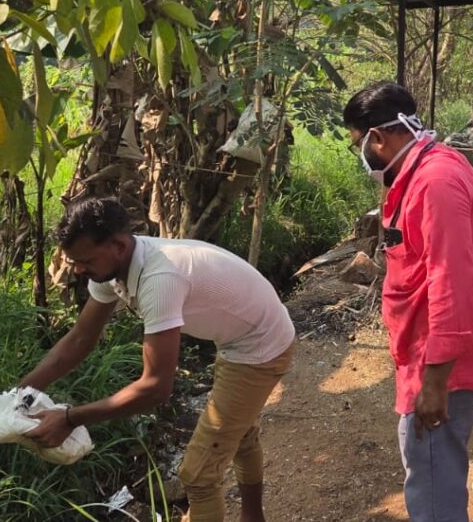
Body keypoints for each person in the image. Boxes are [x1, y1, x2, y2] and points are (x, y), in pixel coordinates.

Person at [20, 198, 295, 522]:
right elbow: (80, 338)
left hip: (260, 345)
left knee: (198, 475)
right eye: (75, 261)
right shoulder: (113, 268)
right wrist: (20, 393)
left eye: (86, 260)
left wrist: (69, 418)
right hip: (241, 334)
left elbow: (155, 388)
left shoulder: (160, 279)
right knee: (239, 434)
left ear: (118, 245)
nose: (78, 270)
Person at [343, 82, 473, 521]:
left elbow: (451, 283)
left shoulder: (435, 182)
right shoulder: (423, 172)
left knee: (433, 484)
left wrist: (434, 383)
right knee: (431, 471)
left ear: (378, 137)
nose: (362, 155)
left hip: (441, 367)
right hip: (425, 357)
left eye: (359, 145)